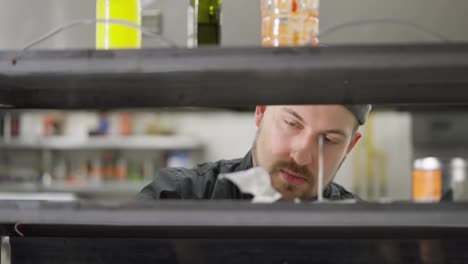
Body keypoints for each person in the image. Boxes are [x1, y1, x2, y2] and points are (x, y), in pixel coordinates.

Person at [136, 104, 371, 200]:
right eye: (291, 124)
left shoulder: (366, 233)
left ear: (350, 146)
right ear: (261, 111)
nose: (301, 156)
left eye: (328, 140)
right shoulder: (180, 196)